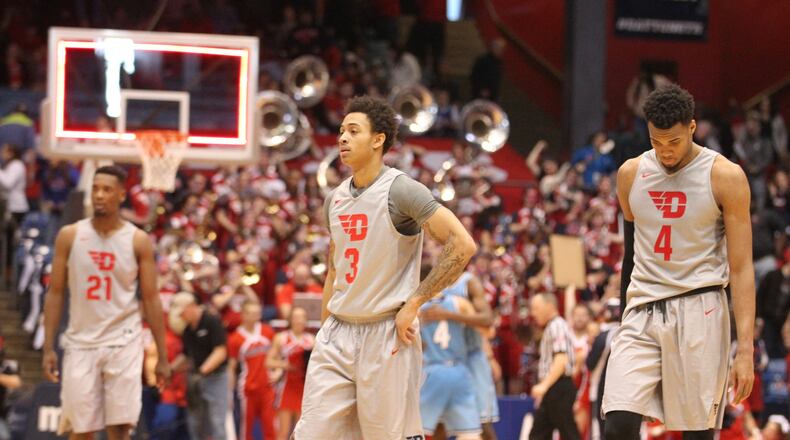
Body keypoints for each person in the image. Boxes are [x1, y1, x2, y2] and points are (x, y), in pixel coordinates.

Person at [292, 96, 477, 439]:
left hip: (385, 334)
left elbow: (462, 244)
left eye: (353, 131)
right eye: (341, 131)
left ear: (378, 139)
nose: (342, 139)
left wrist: (415, 302)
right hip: (337, 333)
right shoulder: (334, 199)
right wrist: (323, 328)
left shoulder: (401, 189)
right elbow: (335, 269)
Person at [603, 84, 756, 439]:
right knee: (617, 426)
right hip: (642, 309)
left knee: (695, 435)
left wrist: (744, 349)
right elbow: (631, 254)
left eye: (673, 142)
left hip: (700, 307)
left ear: (692, 128)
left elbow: (742, 267)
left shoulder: (725, 176)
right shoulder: (630, 174)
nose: (665, 151)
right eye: (657, 142)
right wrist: (625, 312)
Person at [41, 165, 171, 439]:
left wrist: (161, 354)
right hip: (80, 341)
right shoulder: (70, 235)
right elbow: (55, 293)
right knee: (81, 430)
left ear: (121, 195)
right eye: (96, 189)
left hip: (123, 339)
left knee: (120, 429)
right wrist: (48, 345)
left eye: (107, 190)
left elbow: (151, 298)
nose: (99, 195)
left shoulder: (137, 240)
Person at [421, 271, 499, 440]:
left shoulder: (469, 282)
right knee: (439, 424)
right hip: (452, 361)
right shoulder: (434, 294)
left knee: (481, 422)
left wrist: (448, 315)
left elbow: (488, 325)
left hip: (472, 357)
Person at [419, 292, 483, 440]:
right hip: (459, 370)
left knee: (420, 430)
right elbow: (488, 329)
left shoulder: (417, 307)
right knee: (470, 433)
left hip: (433, 371)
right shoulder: (458, 302)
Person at [168, 292, 229, 440]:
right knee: (195, 422)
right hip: (196, 380)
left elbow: (220, 351)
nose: (181, 317)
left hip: (216, 378)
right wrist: (170, 370)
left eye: (182, 313)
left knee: (217, 422)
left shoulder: (211, 321)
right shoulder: (187, 330)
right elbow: (186, 356)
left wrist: (202, 371)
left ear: (191, 307)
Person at [528, 293, 580, 440]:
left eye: (536, 308)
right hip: (554, 388)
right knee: (538, 434)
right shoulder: (552, 326)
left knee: (568, 432)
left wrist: (544, 385)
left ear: (550, 307)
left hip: (558, 387)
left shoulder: (557, 325)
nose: (533, 313)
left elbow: (561, 359)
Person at [227, 299, 276, 440]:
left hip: (268, 387)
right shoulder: (235, 339)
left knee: (270, 427)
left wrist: (278, 373)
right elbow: (232, 367)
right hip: (248, 389)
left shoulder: (268, 331)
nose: (256, 316)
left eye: (258, 313)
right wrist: (229, 392)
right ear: (243, 315)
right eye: (252, 313)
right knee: (246, 429)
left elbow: (278, 356)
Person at [267, 307, 315, 440]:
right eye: (296, 317)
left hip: (304, 388)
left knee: (301, 432)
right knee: (283, 431)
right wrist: (284, 366)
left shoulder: (312, 340)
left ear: (306, 320)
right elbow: (269, 361)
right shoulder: (281, 338)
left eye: (302, 317)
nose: (299, 320)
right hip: (286, 387)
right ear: (290, 320)